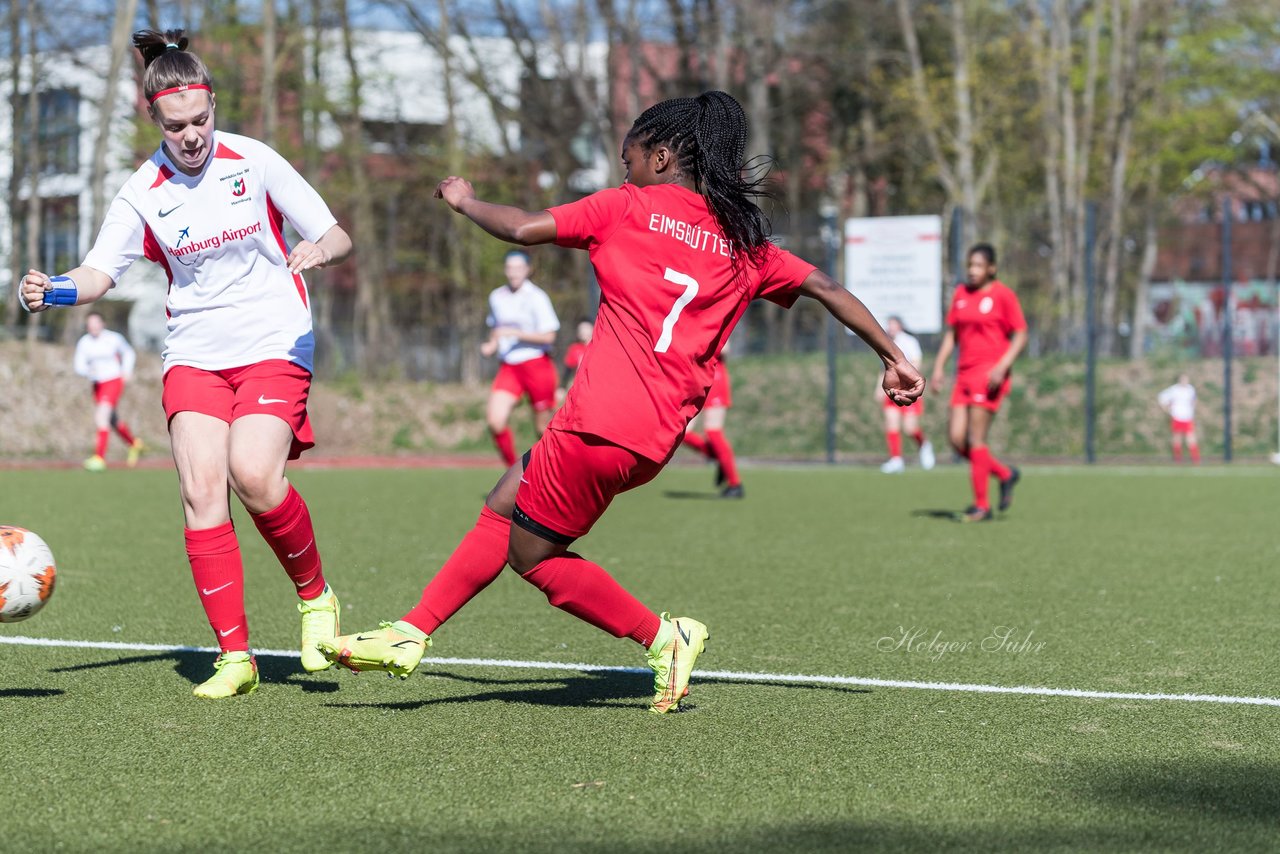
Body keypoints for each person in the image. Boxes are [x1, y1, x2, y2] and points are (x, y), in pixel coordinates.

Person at [319, 91, 923, 714]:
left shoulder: (627, 207)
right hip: (653, 441)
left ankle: (663, 637)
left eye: (627, 157)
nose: (622, 170)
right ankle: (412, 631)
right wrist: (893, 357)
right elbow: (824, 285)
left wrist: (465, 199)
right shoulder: (742, 242)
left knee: (529, 556)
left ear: (660, 157)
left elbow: (523, 228)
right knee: (507, 494)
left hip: (598, 424)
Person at [20, 29, 353, 699]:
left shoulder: (254, 160)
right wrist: (53, 288)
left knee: (254, 475)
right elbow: (99, 271)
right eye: (177, 126)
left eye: (201, 119)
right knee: (203, 493)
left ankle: (316, 599)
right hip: (195, 353)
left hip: (273, 339)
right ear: (154, 120)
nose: (193, 135)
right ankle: (236, 658)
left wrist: (320, 252)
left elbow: (335, 231)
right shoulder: (142, 191)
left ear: (212, 107)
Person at [929, 244, 1027, 522]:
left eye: (978, 266)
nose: (972, 271)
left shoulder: (1003, 296)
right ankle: (1005, 474)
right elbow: (952, 335)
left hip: (989, 375)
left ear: (991, 269)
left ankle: (981, 506)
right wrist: (938, 368)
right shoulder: (961, 294)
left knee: (975, 439)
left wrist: (1002, 366)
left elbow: (1020, 335)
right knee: (956, 439)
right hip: (963, 375)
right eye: (970, 265)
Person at [482, 250, 562, 466]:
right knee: (495, 420)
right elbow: (496, 329)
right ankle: (514, 476)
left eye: (518, 268)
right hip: (509, 367)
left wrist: (516, 334)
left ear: (528, 270)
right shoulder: (497, 296)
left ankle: (552, 474)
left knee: (541, 429)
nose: (513, 272)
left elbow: (549, 335)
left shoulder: (537, 297)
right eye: (509, 267)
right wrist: (491, 345)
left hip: (536, 364)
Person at [73, 311, 145, 471]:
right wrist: (87, 371)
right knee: (111, 420)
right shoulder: (84, 342)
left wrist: (126, 370)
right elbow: (79, 365)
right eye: (90, 324)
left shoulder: (113, 338)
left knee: (101, 416)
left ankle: (99, 458)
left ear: (102, 324)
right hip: (97, 385)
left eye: (96, 322)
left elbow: (128, 352)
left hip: (113, 381)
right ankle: (134, 444)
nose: (93, 326)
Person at [681, 348, 744, 497]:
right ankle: (723, 460)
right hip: (697, 377)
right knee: (683, 432)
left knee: (713, 431)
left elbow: (726, 348)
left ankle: (735, 485)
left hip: (715, 378)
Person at [877, 316, 934, 474]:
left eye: (893, 325)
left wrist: (909, 381)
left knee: (910, 428)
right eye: (889, 325)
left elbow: (916, 362)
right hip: (893, 389)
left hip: (908, 389)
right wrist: (878, 388)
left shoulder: (909, 342)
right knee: (891, 423)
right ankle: (896, 460)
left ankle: (924, 445)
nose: (890, 328)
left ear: (900, 326)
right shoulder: (885, 343)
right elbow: (884, 368)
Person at [1157, 374, 1199, 463]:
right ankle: (1177, 458)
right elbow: (1162, 397)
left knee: (1190, 437)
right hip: (1177, 417)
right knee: (1177, 437)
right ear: (1179, 380)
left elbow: (1194, 400)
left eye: (1186, 379)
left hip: (1187, 417)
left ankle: (1195, 458)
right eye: (1183, 379)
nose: (1185, 381)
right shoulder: (1174, 390)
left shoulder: (1190, 389)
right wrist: (1166, 409)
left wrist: (1192, 408)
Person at [561, 317, 593, 388]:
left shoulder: (596, 347)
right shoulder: (574, 348)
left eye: (586, 328)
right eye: (580, 329)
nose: (583, 331)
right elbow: (568, 370)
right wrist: (562, 387)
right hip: (579, 384)